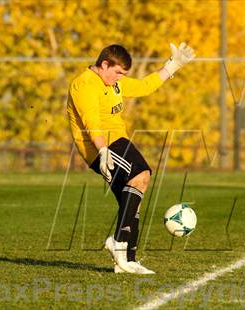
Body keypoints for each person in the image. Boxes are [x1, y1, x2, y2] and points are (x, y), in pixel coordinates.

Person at [67, 43, 195, 274]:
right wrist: (103, 150)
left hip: (114, 141)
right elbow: (91, 122)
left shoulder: (113, 82)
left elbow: (145, 86)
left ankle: (127, 260)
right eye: (117, 72)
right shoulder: (84, 84)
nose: (119, 79)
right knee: (141, 175)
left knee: (132, 198)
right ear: (104, 64)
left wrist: (173, 64)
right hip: (102, 145)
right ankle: (118, 242)